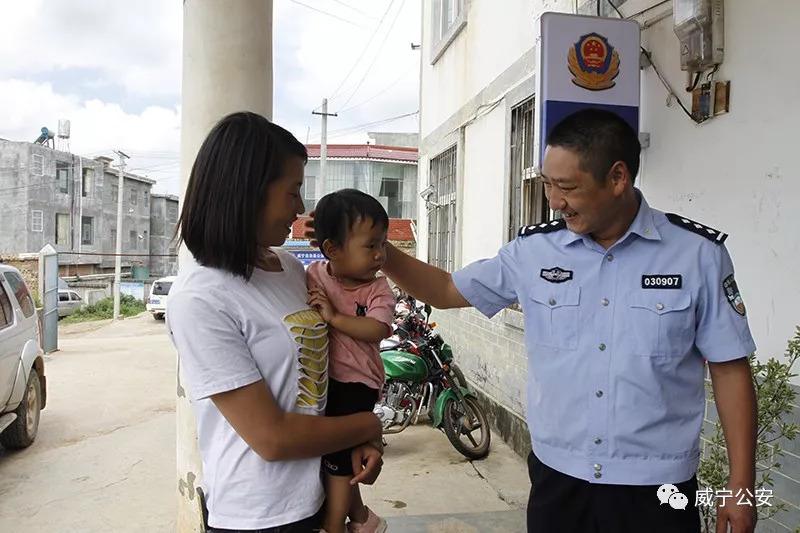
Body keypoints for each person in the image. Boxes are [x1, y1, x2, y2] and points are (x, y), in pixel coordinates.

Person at [307, 108, 759, 533]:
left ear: (618, 177)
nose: (554, 200)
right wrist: (373, 251)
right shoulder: (534, 252)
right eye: (547, 184)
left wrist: (740, 490)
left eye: (568, 186)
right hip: (559, 479)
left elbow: (730, 369)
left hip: (657, 486)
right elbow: (445, 291)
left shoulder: (697, 255)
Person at [166, 111, 384, 533]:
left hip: (316, 493)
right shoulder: (201, 298)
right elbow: (272, 438)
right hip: (258, 515)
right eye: (293, 191)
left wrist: (358, 439)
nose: (301, 207)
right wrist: (371, 424)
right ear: (247, 193)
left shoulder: (289, 268)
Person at [305, 189, 396, 533]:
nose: (380, 255)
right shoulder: (314, 273)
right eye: (371, 245)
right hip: (327, 381)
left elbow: (375, 328)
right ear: (332, 249)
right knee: (342, 457)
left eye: (383, 245)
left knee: (337, 466)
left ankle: (333, 526)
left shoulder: (379, 290)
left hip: (356, 383)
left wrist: (334, 317)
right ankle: (362, 519)